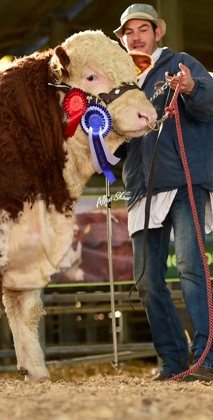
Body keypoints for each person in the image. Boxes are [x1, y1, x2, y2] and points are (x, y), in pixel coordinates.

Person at [114, 3, 213, 381]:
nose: (135, 37)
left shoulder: (179, 63)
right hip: (141, 187)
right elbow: (121, 144)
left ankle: (207, 357)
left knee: (190, 267)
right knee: (147, 280)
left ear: (158, 33)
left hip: (183, 181)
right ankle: (172, 362)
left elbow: (208, 104)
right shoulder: (120, 80)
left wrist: (190, 87)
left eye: (143, 29)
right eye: (128, 32)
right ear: (122, 39)